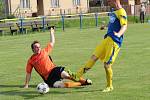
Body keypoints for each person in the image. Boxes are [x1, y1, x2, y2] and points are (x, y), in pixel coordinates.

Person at [71, 0, 127, 92]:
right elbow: (112, 23)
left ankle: (110, 86)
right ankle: (78, 75)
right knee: (94, 57)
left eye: (109, 1)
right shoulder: (113, 12)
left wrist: (119, 34)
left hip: (114, 41)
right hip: (107, 39)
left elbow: (124, 26)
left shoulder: (121, 11)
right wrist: (105, 26)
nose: (108, 3)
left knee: (107, 65)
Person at [24, 26, 92, 88]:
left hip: (54, 70)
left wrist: (51, 32)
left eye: (39, 46)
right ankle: (81, 84)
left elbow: (52, 42)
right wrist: (26, 85)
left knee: (67, 75)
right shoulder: (31, 60)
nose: (38, 48)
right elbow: (28, 73)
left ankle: (84, 81)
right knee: (62, 86)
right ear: (33, 49)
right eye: (36, 47)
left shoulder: (44, 51)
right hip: (48, 78)